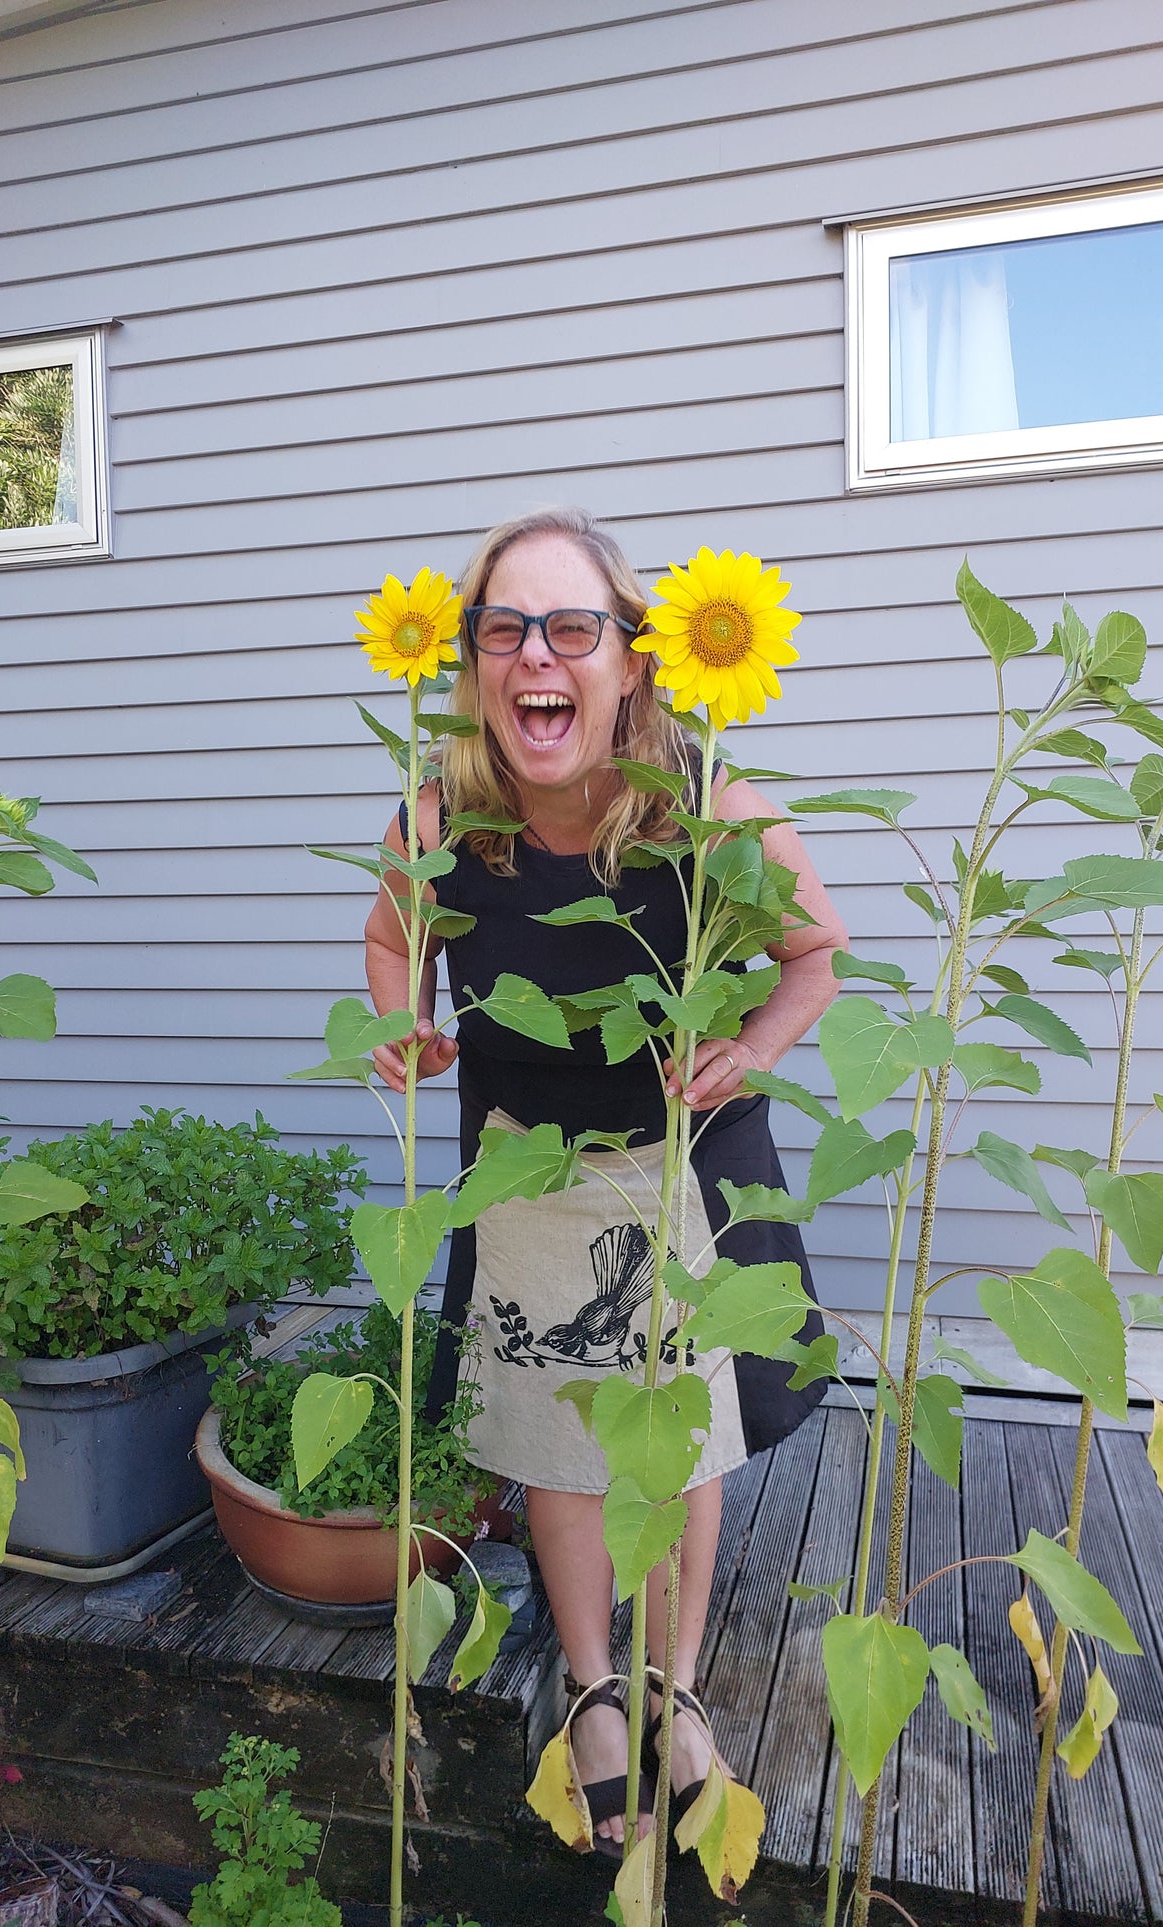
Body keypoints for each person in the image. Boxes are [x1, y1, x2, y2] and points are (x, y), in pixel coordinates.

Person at [365, 507, 845, 1852]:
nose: (538, 654)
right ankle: (589, 1684)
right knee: (550, 1445)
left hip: (685, 1166)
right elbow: (390, 943)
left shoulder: (705, 810)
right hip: (523, 1167)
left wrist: (751, 1047)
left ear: (629, 660)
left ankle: (676, 1685)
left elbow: (815, 954)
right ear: (473, 664)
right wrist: (404, 1023)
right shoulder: (441, 818)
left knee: (677, 1440)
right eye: (505, 627)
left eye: (570, 627)